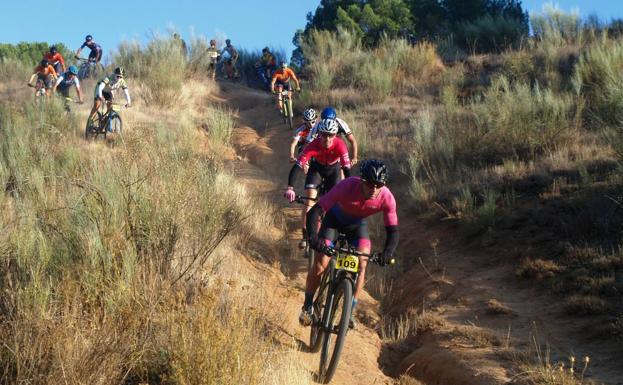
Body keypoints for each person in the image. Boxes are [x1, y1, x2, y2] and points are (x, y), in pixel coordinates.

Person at [299, 159, 399, 329]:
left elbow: (393, 230)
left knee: (362, 264)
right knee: (321, 263)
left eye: (378, 184)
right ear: (362, 180)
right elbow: (316, 211)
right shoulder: (346, 185)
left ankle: (349, 312)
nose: (373, 189)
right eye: (369, 183)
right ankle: (308, 306)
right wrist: (313, 238)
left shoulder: (387, 197)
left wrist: (387, 253)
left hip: (357, 226)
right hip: (333, 222)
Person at [284, 118, 351, 250]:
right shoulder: (313, 145)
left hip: (333, 171)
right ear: (319, 134)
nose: (327, 139)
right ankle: (305, 235)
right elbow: (298, 166)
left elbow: (347, 170)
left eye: (330, 135)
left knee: (336, 203)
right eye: (324, 135)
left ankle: (337, 234)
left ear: (335, 135)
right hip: (317, 170)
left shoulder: (340, 145)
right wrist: (290, 188)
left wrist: (350, 190)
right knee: (310, 200)